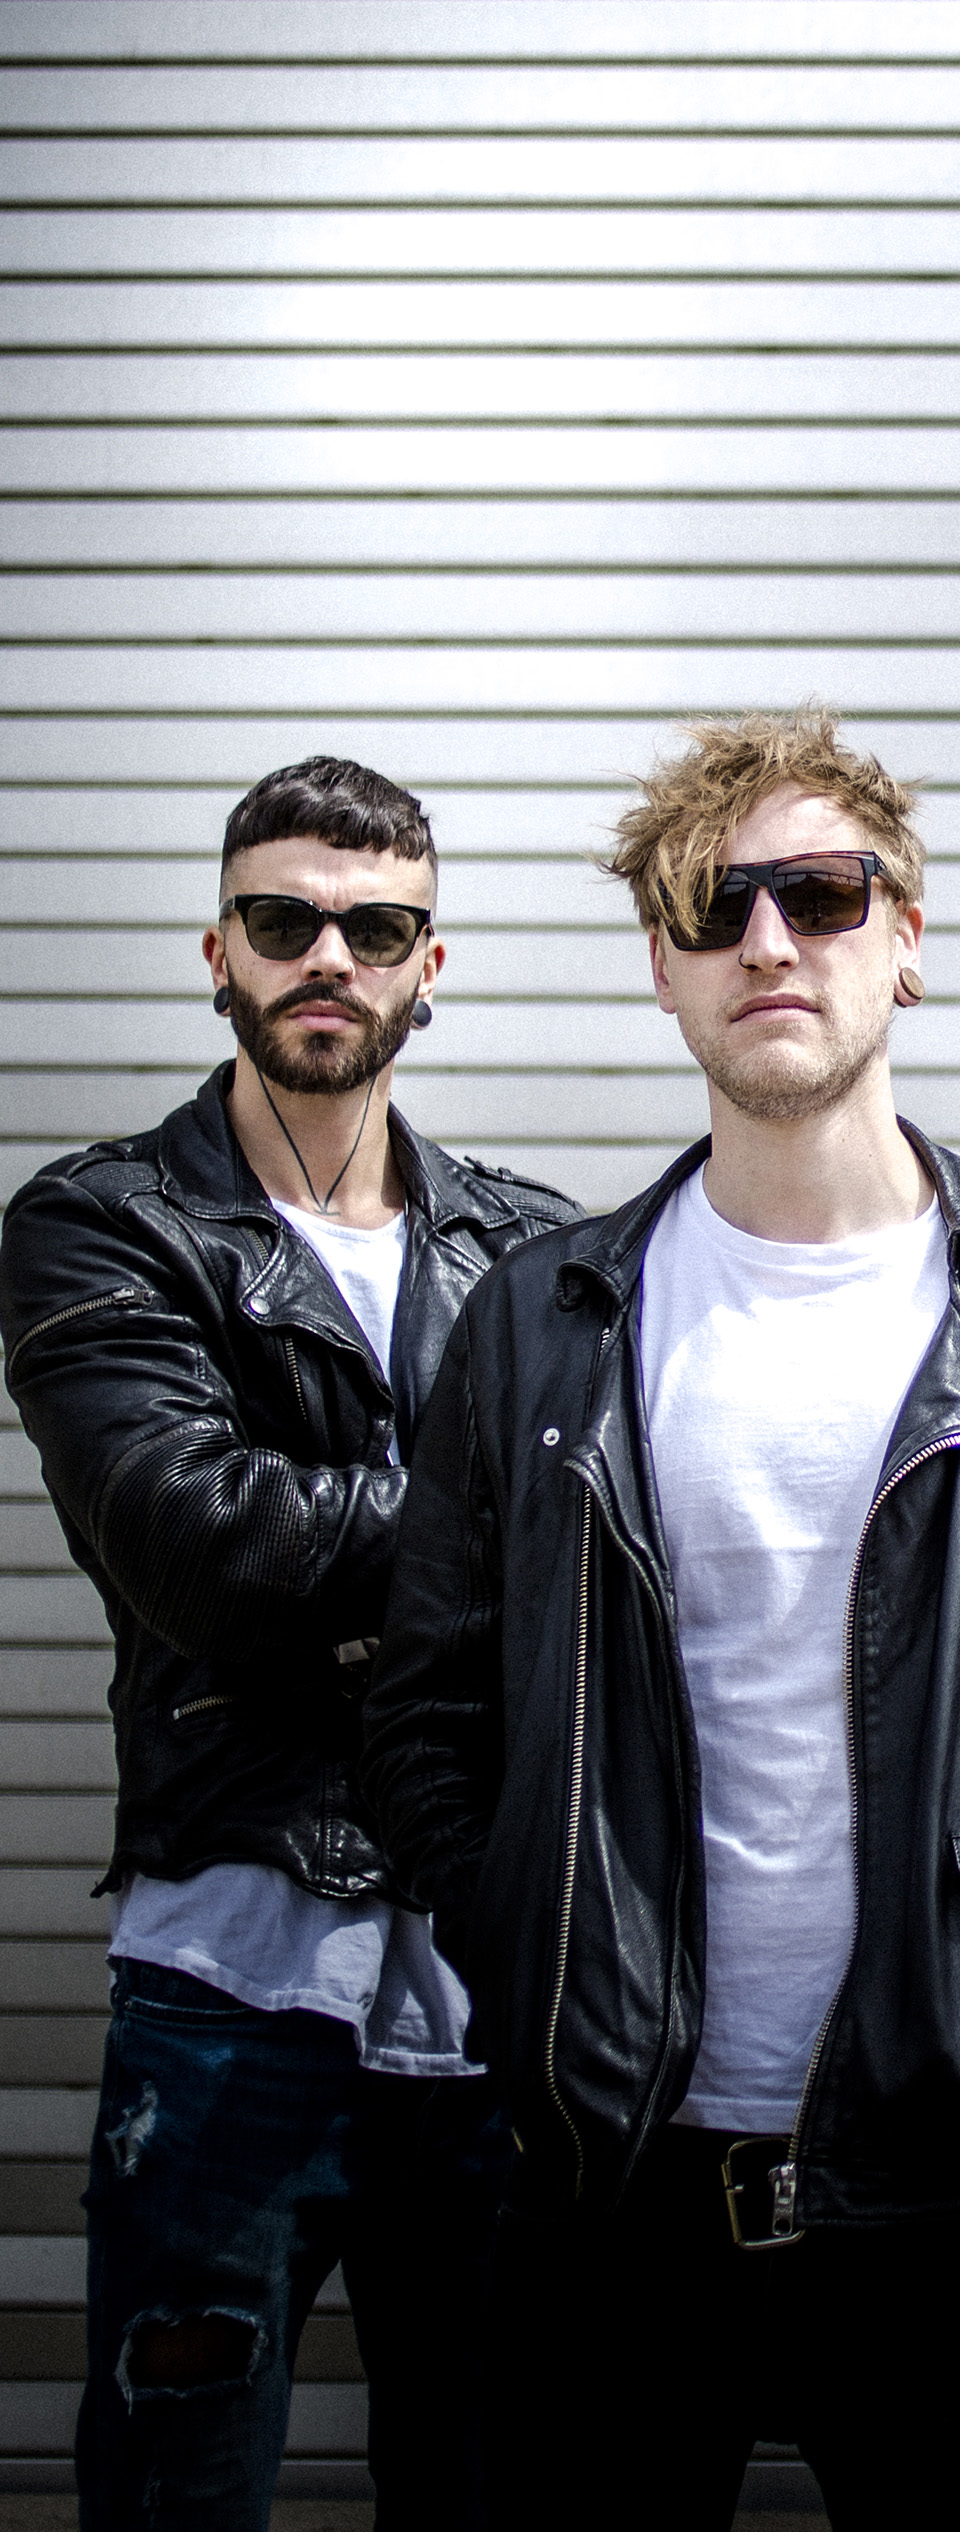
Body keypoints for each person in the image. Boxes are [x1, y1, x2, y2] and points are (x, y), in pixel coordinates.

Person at [361, 705, 960, 2532]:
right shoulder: (543, 1318)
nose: (769, 940)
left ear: (906, 937)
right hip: (609, 2190)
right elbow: (424, 1715)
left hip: (958, 2197)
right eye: (715, 907)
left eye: (823, 894)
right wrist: (530, 1942)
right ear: (664, 968)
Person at [0, 754, 576, 2532]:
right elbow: (200, 1547)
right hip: (230, 1986)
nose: (329, 956)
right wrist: (491, 1525)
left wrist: (369, 1570)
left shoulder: (539, 1253)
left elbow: (612, 1587)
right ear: (220, 951)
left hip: (493, 1994)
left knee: (492, 2493)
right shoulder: (102, 1224)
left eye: (375, 928)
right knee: (175, 2496)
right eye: (284, 920)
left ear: (429, 964)